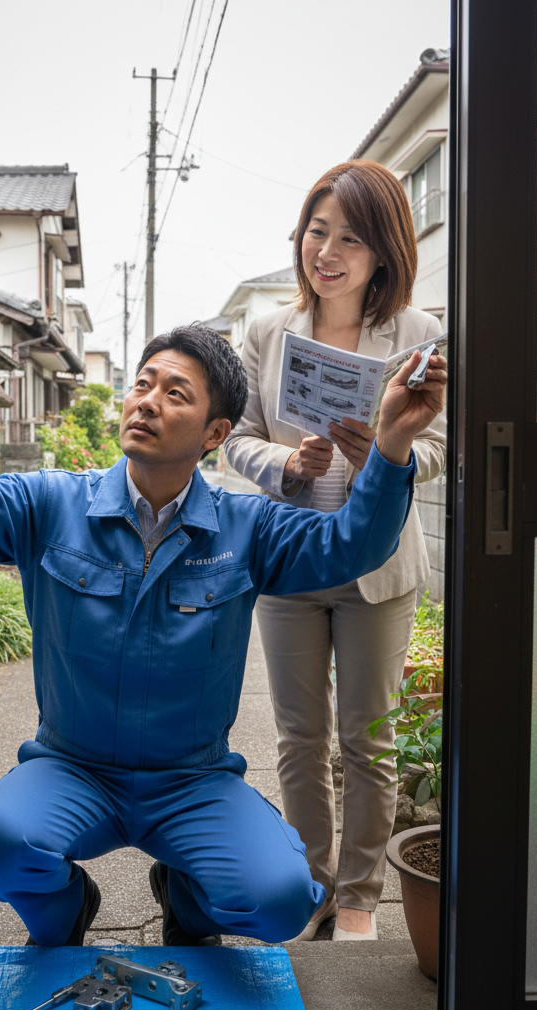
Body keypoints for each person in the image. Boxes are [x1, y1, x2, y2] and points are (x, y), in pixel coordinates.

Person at [0, 318, 445, 946]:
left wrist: (394, 441)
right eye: (142, 384)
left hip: (191, 781)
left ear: (216, 433)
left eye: (175, 393)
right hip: (72, 769)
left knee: (282, 900)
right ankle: (65, 911)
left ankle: (185, 900)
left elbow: (353, 544)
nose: (148, 401)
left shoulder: (249, 529)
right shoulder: (50, 506)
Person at [223, 160, 447, 941]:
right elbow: (237, 443)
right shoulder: (265, 331)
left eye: (350, 237)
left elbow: (440, 446)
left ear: (382, 251)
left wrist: (384, 449)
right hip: (290, 554)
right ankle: (309, 883)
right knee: (299, 735)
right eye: (318, 231)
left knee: (367, 735)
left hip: (377, 564)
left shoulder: (420, 336)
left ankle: (358, 895)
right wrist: (285, 464)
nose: (328, 250)